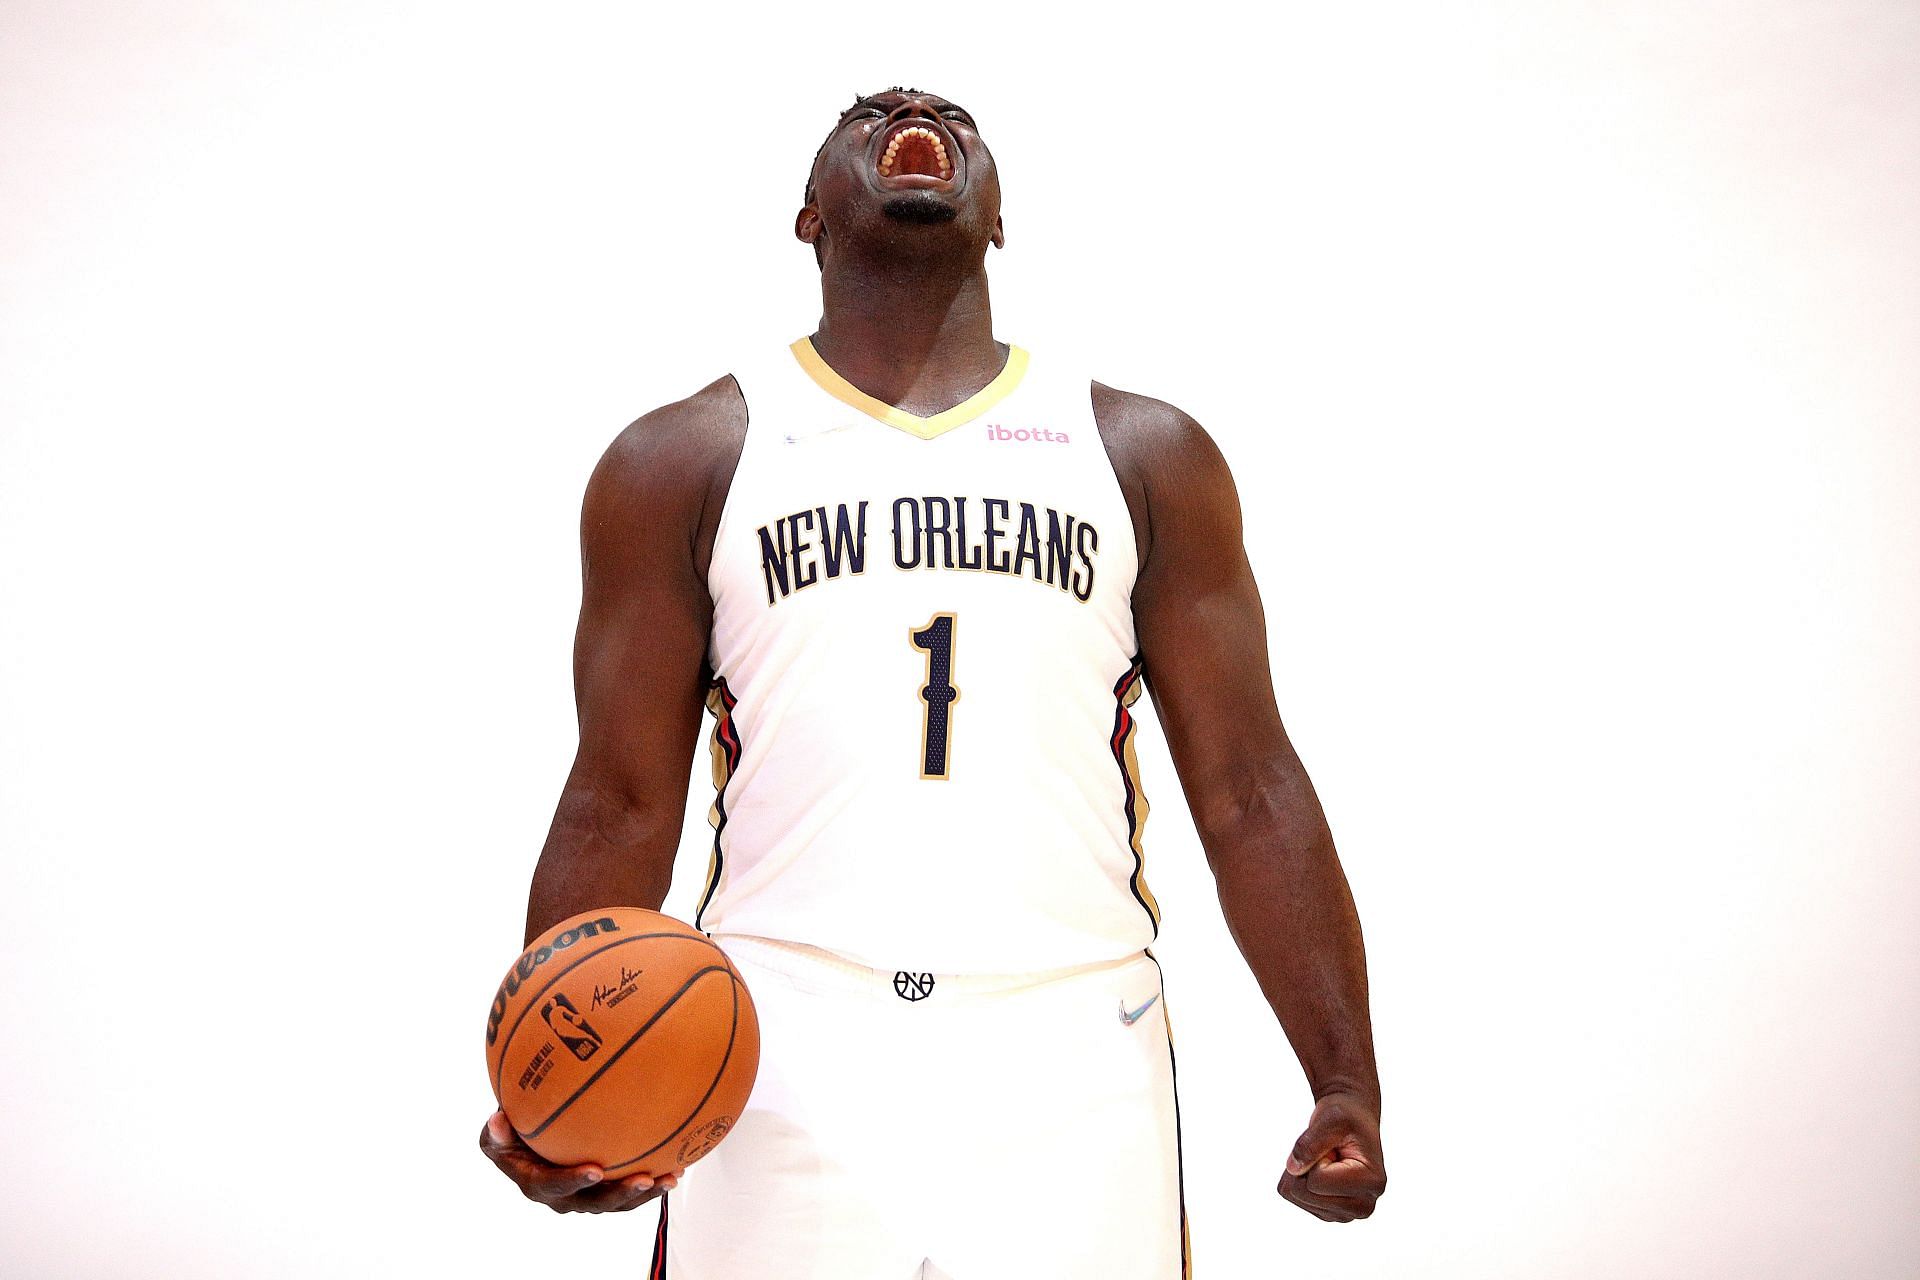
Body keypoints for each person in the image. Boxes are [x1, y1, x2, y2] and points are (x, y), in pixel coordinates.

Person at [480, 85, 1387, 1279]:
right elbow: (618, 799)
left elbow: (1251, 788)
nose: (909, 106)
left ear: (997, 217)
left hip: (1075, 1038)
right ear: (808, 217)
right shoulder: (686, 458)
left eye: (949, 112)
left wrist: (1342, 1078)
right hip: (779, 1041)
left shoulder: (1140, 453)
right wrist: (553, 1076)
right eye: (868, 112)